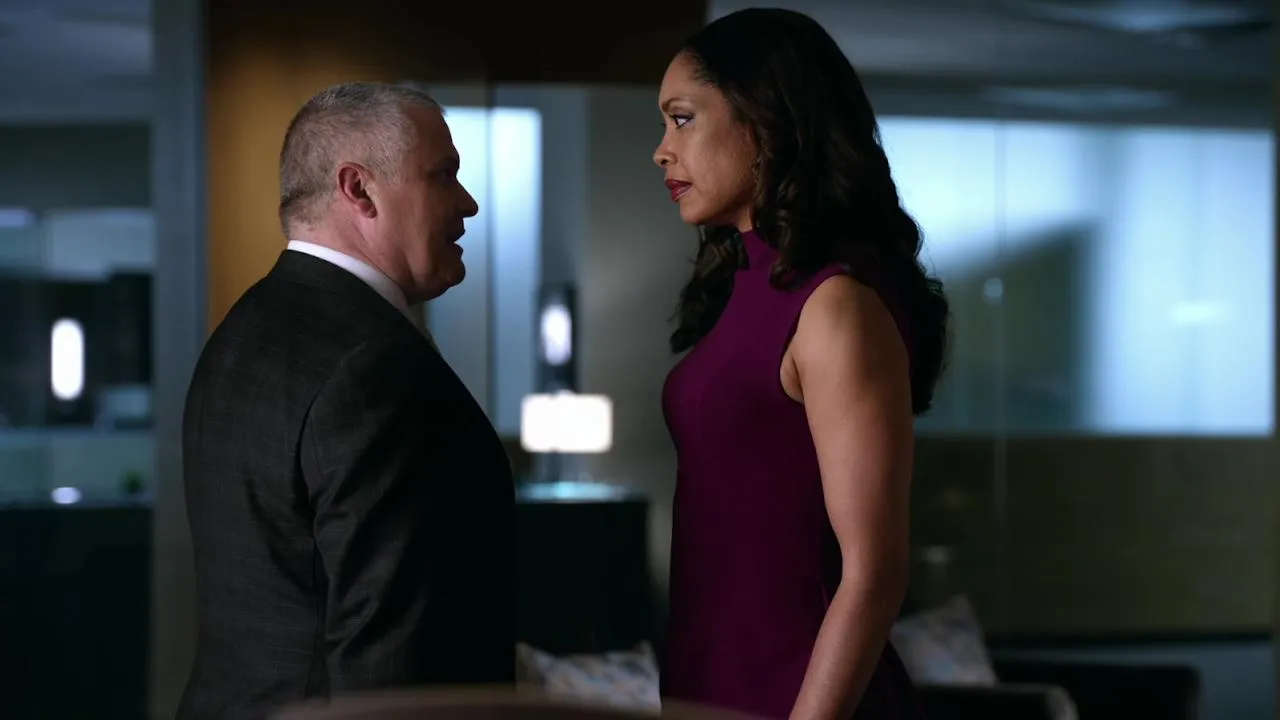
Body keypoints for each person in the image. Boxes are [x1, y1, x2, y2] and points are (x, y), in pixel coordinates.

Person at [178, 82, 515, 719]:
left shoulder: (240, 333)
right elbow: (392, 660)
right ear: (359, 189)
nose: (468, 203)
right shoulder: (378, 367)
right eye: (443, 175)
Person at [654, 8, 949, 720]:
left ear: (764, 121)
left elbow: (874, 572)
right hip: (710, 688)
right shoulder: (744, 287)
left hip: (804, 698)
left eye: (682, 119)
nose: (662, 152)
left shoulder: (835, 305)